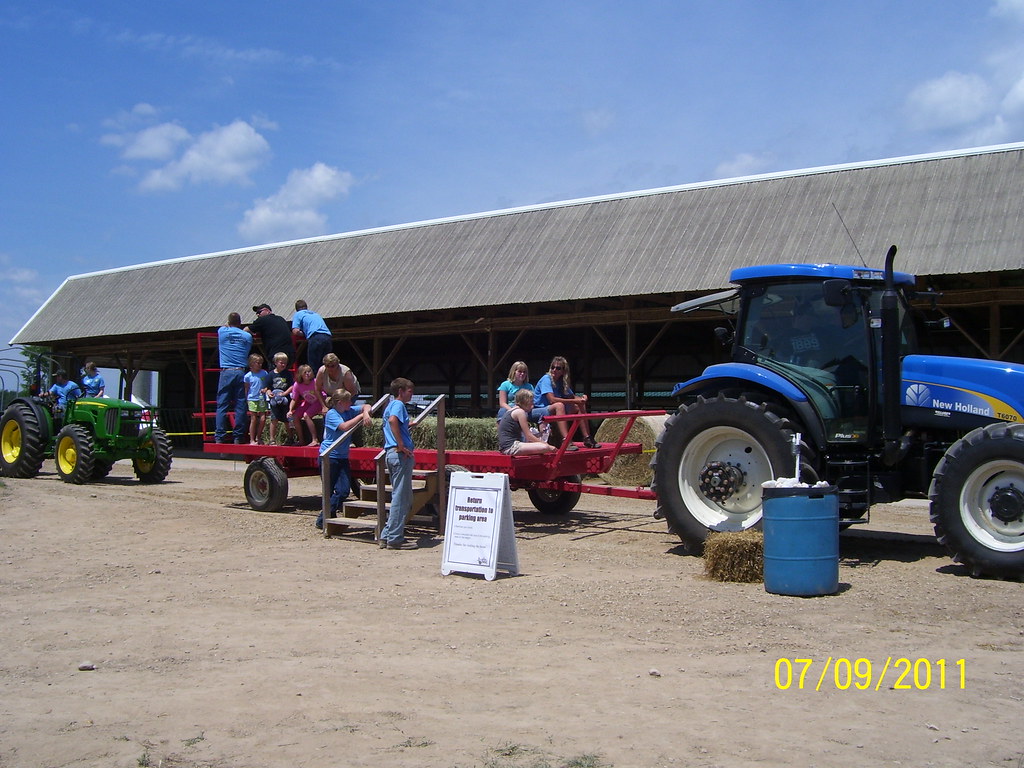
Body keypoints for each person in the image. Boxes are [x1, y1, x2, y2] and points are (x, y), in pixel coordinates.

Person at [315, 389, 373, 530]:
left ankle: (326, 516)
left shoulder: (348, 411)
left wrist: (365, 413)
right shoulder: (331, 414)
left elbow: (367, 406)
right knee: (329, 490)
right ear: (340, 402)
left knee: (343, 490)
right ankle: (325, 519)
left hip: (342, 457)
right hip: (329, 457)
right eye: (348, 401)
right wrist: (361, 417)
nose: (351, 403)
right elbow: (344, 427)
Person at [380, 377, 418, 550]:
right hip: (399, 454)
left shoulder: (389, 406)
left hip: (391, 453)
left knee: (402, 496)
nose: (412, 394)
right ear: (401, 391)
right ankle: (395, 538)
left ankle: (387, 534)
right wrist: (401, 444)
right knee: (401, 498)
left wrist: (407, 426)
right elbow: (393, 421)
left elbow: (392, 423)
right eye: (409, 391)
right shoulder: (398, 405)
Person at [534, 356, 597, 448]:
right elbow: (552, 400)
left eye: (558, 368)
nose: (554, 370)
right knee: (559, 405)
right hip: (540, 409)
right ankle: (566, 440)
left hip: (553, 409)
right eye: (553, 367)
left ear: (563, 371)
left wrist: (582, 399)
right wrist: (574, 400)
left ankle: (587, 438)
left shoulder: (562, 381)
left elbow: (572, 397)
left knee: (579, 405)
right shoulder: (546, 379)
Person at [214, 312, 253, 444]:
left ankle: (220, 435)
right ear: (240, 322)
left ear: (229, 322)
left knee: (222, 404)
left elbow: (223, 326)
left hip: (226, 371)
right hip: (241, 371)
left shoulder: (223, 332)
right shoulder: (247, 336)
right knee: (241, 404)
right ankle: (238, 436)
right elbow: (247, 349)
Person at [498, 388, 557, 456]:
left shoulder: (512, 410)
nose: (533, 404)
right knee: (545, 447)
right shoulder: (520, 412)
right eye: (531, 401)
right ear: (525, 401)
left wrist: (540, 434)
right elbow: (528, 436)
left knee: (541, 446)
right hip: (511, 447)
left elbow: (524, 435)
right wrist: (547, 445)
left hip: (507, 446)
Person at [291, 300, 333, 368]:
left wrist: (304, 334)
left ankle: (315, 378)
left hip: (315, 337)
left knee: (314, 364)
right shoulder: (315, 314)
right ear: (306, 307)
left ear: (297, 309)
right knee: (326, 363)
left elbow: (295, 331)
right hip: (327, 337)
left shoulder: (298, 314)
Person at [266, 352, 295, 445]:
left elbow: (292, 386)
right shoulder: (271, 374)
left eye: (285, 363)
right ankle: (271, 439)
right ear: (275, 362)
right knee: (274, 419)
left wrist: (285, 393)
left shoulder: (288, 373)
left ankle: (291, 438)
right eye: (281, 362)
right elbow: (268, 387)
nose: (283, 365)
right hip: (274, 400)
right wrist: (269, 393)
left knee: (287, 420)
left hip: (285, 400)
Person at [289, 364, 321, 446]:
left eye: (309, 371)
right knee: (295, 416)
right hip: (308, 402)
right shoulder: (297, 384)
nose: (307, 374)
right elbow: (294, 399)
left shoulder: (315, 381)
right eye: (305, 372)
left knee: (306, 415)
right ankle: (301, 440)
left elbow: (324, 393)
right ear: (300, 374)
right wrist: (290, 410)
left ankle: (315, 439)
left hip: (319, 401)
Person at [243, 353, 271, 445]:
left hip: (262, 399)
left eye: (260, 363)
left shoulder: (264, 373)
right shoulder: (248, 376)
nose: (259, 365)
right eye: (257, 363)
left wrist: (265, 389)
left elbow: (267, 385)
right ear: (251, 364)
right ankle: (252, 439)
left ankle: (258, 437)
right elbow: (247, 388)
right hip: (252, 398)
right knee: (253, 418)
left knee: (263, 418)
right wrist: (246, 399)